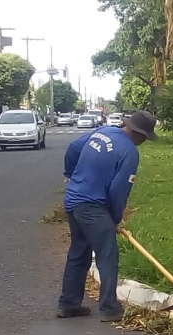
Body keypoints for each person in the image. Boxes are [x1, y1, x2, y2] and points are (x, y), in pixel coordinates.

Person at [57, 110, 158, 321]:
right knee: (107, 254)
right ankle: (109, 307)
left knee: (79, 250)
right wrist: (114, 217)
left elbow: (74, 148)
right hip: (92, 205)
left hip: (73, 200)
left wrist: (71, 175)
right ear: (140, 134)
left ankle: (68, 304)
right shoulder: (130, 152)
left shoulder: (102, 131)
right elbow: (119, 190)